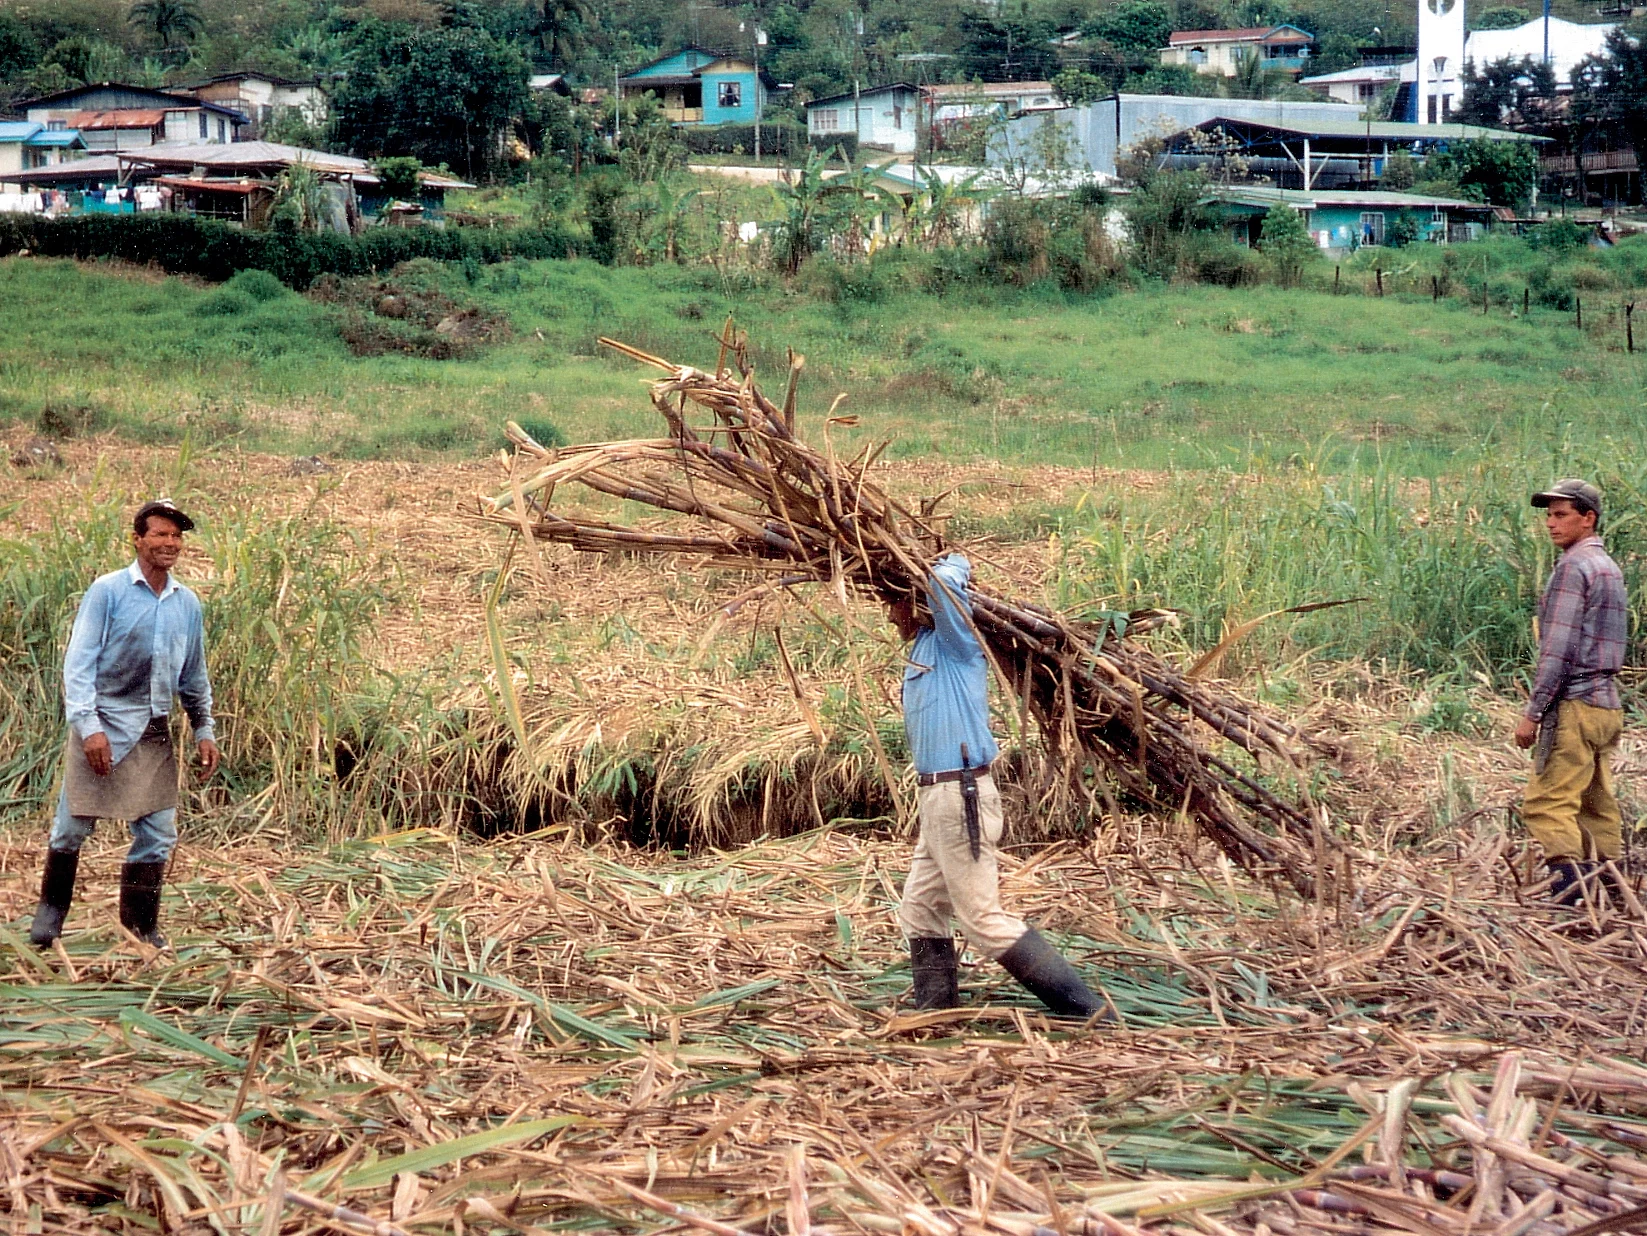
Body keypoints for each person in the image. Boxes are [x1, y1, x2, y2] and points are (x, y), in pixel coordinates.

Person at [889, 553, 1106, 1019]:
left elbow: (945, 583)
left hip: (959, 794)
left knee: (982, 919)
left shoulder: (956, 644)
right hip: (937, 798)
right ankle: (937, 1013)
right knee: (920, 906)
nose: (889, 616)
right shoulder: (921, 651)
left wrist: (953, 560)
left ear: (916, 603)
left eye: (893, 604)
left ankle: (1087, 1012)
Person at [28, 499, 220, 950]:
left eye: (176, 537)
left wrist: (203, 728)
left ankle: (140, 928)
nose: (170, 544)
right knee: (72, 828)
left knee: (157, 833)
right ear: (138, 539)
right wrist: (88, 726)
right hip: (102, 725)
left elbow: (193, 675)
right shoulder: (108, 592)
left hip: (153, 730)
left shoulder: (187, 603)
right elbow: (78, 666)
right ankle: (49, 919)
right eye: (160, 534)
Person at [1514, 480, 1628, 905]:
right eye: (1548, 515)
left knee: (1547, 803)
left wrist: (1533, 713)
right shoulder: (1608, 567)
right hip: (1607, 707)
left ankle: (1571, 901)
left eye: (1561, 515)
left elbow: (1557, 649)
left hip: (1576, 705)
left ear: (1588, 518)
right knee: (1596, 803)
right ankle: (1615, 900)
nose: (1550, 523)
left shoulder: (1572, 568)